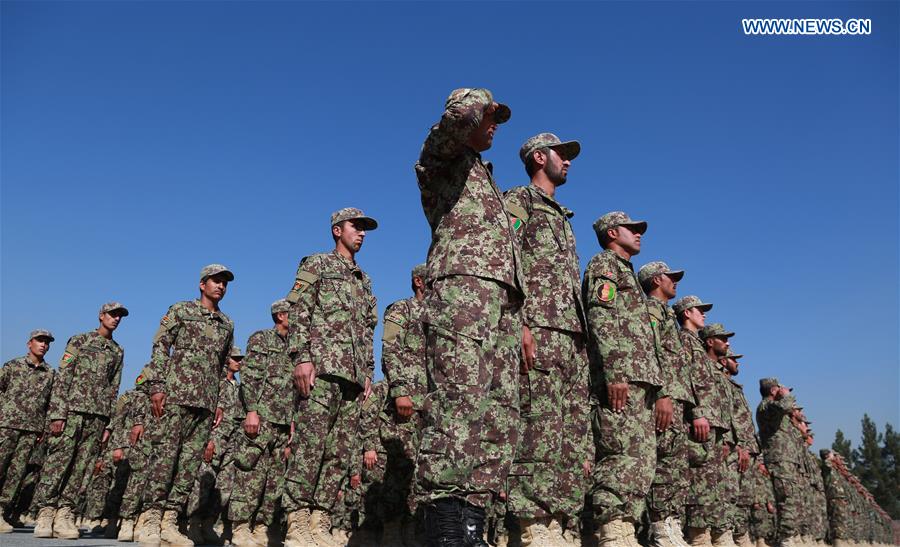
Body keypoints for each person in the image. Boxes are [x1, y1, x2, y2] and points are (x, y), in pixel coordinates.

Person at [414, 87, 524, 546]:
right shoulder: (441, 164)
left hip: (498, 301)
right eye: (490, 116)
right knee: (458, 403)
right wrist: (480, 102)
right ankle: (445, 526)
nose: (495, 123)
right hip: (462, 292)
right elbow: (451, 126)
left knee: (497, 414)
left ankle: (473, 523)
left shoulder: (485, 177)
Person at [501, 132, 590, 545]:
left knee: (569, 437)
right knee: (537, 431)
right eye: (562, 154)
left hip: (571, 338)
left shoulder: (561, 215)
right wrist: (517, 322)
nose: (568, 161)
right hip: (538, 329)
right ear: (540, 157)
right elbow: (503, 255)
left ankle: (559, 525)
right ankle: (534, 528)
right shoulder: (520, 200)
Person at [282, 208, 378, 547]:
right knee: (310, 446)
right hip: (321, 369)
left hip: (352, 377)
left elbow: (368, 329)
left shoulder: (364, 280)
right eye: (356, 226)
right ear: (337, 230)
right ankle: (297, 521)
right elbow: (299, 309)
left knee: (339, 452)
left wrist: (368, 372)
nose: (362, 233)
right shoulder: (316, 264)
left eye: (365, 229)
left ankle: (320, 518)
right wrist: (302, 357)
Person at [137, 264, 235, 546]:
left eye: (224, 283)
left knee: (189, 465)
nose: (221, 286)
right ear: (202, 284)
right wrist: (157, 385)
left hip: (204, 403)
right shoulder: (181, 310)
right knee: (165, 459)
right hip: (176, 396)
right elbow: (160, 345)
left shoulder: (227, 323)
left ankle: (170, 519)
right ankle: (151, 518)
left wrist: (218, 401)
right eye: (216, 281)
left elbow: (221, 366)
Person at [582, 211, 663, 547]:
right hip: (621, 381)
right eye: (632, 229)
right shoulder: (605, 265)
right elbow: (601, 316)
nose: (638, 233)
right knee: (619, 457)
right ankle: (611, 532)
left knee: (641, 462)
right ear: (613, 232)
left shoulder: (626, 273)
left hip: (640, 382)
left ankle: (623, 528)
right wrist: (615, 371)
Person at [32, 302, 127, 539]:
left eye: (119, 316)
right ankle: (45, 512)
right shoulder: (80, 341)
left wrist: (109, 424)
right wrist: (57, 413)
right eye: (112, 314)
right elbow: (63, 377)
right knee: (58, 462)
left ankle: (65, 513)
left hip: (98, 416)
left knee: (82, 468)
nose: (116, 319)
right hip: (72, 411)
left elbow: (113, 387)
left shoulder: (117, 351)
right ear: (101, 316)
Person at [229, 299, 294, 547]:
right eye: (293, 313)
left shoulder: (296, 347)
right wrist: (252, 411)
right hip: (262, 417)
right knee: (250, 473)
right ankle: (241, 526)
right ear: (280, 315)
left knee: (275, 479)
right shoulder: (262, 339)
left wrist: (293, 424)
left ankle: (263, 527)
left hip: (283, 421)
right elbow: (251, 376)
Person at [638, 261, 693, 547]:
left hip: (675, 398)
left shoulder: (664, 314)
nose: (676, 282)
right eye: (671, 277)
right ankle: (661, 529)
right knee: (663, 467)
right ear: (657, 280)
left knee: (674, 469)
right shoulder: (650, 310)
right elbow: (651, 352)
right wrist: (662, 393)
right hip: (664, 397)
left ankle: (670, 524)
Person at [673, 297, 731, 547]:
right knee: (699, 480)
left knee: (712, 483)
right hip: (698, 420)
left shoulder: (695, 343)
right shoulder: (684, 339)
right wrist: (696, 412)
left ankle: (710, 533)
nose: (703, 315)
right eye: (700, 310)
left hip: (711, 421)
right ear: (687, 313)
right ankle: (698, 536)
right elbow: (685, 378)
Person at [380, 263, 428, 545]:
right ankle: (391, 530)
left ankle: (414, 528)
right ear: (419, 282)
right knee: (399, 469)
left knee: (423, 470)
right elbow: (390, 349)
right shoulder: (401, 309)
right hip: (406, 402)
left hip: (431, 406)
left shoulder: (441, 315)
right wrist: (400, 390)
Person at [187, 345, 245, 545]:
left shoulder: (238, 386)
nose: (239, 362)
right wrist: (208, 439)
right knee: (205, 480)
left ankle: (209, 523)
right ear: (227, 360)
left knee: (225, 484)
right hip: (216, 437)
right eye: (235, 358)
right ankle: (193, 522)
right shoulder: (217, 382)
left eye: (240, 359)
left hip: (233, 438)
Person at [0, 330, 55, 534]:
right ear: (29, 343)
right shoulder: (12, 366)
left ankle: (2, 510)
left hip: (32, 429)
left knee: (16, 473)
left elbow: (51, 404)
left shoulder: (50, 373)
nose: (43, 345)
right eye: (39, 340)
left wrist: (44, 428)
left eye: (47, 342)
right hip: (6, 425)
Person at [717, 351, 760, 547]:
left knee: (739, 496)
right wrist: (735, 443)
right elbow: (724, 414)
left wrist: (745, 445)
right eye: (734, 359)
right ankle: (723, 534)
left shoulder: (733, 385)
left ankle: (737, 535)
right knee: (725, 491)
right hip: (730, 444)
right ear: (724, 361)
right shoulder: (718, 379)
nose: (738, 364)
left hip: (740, 445)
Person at [756, 378, 801, 547]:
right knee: (786, 499)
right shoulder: (766, 406)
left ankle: (784, 538)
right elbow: (785, 406)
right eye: (780, 389)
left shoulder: (772, 408)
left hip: (785, 460)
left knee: (789, 499)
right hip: (779, 460)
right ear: (773, 391)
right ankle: (785, 540)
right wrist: (787, 395)